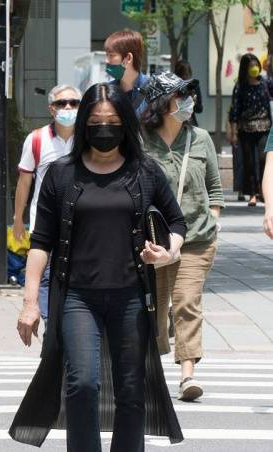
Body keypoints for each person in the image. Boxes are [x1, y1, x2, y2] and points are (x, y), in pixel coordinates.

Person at [11, 83, 186, 450]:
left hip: (132, 297)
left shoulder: (145, 172)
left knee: (131, 390)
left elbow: (176, 222)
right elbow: (41, 242)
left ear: (125, 123)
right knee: (82, 384)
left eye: (112, 121)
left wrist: (167, 253)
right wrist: (30, 303)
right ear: (83, 125)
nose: (104, 129)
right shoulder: (61, 175)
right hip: (77, 297)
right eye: (94, 121)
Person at [140, 72, 225, 402]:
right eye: (180, 96)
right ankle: (153, 366)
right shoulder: (142, 141)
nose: (187, 102)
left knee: (187, 302)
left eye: (188, 95)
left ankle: (187, 374)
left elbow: (215, 188)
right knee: (156, 308)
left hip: (196, 239)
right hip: (156, 240)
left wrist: (213, 218)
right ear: (163, 104)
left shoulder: (201, 138)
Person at [13, 84, 81, 322]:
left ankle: (70, 320)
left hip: (82, 220)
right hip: (45, 220)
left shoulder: (88, 139)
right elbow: (24, 182)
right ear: (52, 109)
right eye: (62, 103)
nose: (69, 107)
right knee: (45, 273)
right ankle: (51, 321)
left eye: (74, 103)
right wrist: (18, 219)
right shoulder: (37, 139)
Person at [228, 53, 270, 207]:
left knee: (263, 159)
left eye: (256, 65)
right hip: (246, 130)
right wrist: (233, 132)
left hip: (265, 128)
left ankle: (263, 191)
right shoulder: (240, 86)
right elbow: (234, 111)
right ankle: (252, 193)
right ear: (245, 69)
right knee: (249, 162)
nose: (254, 68)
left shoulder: (266, 83)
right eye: (251, 66)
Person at [105, 30, 150, 117]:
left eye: (111, 55)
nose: (106, 61)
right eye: (106, 55)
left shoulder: (153, 92)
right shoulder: (106, 91)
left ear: (128, 58)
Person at [174, 60, 204, 127]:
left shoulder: (194, 86)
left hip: (190, 123)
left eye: (187, 75)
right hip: (175, 123)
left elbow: (199, 109)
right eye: (182, 76)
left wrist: (193, 103)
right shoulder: (172, 87)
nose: (185, 79)